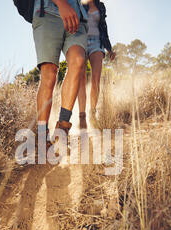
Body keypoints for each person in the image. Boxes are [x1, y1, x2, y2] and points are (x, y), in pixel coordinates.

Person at [32, 0, 88, 152]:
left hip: (77, 18)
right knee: (49, 73)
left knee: (78, 61)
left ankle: (63, 128)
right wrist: (62, 4)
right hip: (48, 13)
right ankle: (42, 137)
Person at [77, 0, 115, 129]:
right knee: (81, 79)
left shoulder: (101, 6)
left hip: (97, 43)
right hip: (81, 41)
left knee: (96, 80)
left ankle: (92, 113)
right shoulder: (80, 4)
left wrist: (109, 48)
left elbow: (104, 26)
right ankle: (82, 116)